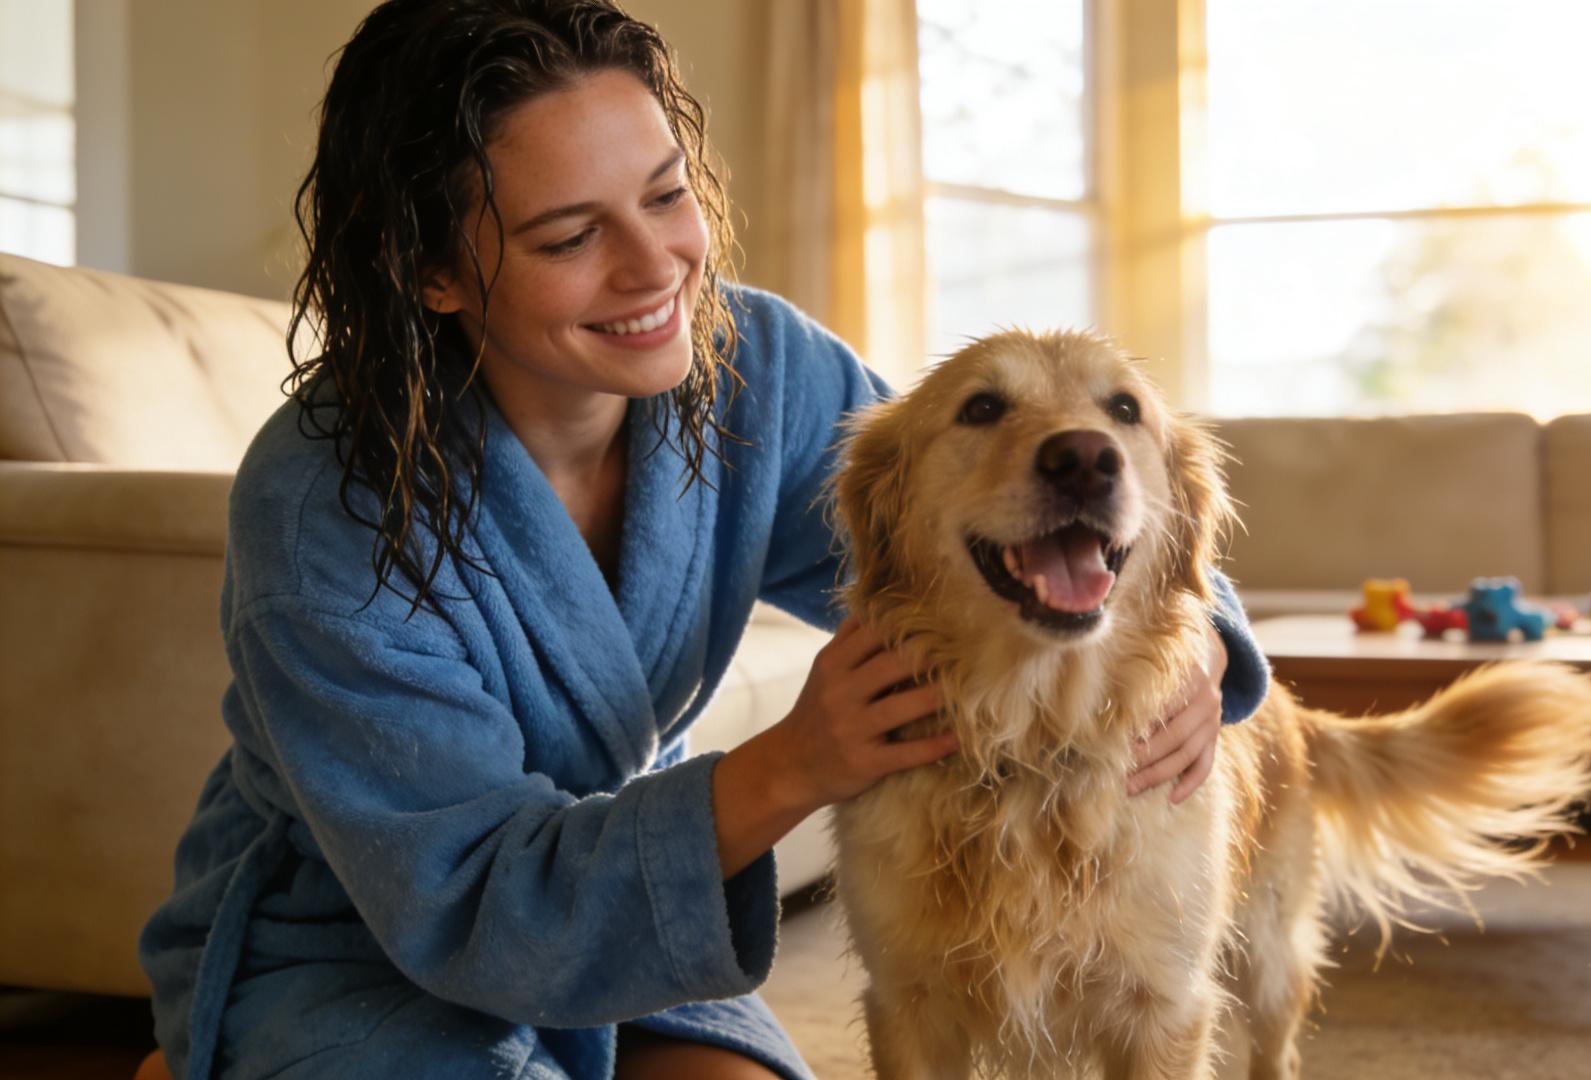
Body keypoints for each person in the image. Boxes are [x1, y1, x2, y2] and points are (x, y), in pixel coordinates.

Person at [137, 2, 1271, 1077]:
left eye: (666, 194)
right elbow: (463, 898)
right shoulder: (323, 517)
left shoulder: (758, 369)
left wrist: (1206, 639)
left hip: (625, 884)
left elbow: (986, 515)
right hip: (362, 935)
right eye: (571, 235)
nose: (657, 270)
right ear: (430, 272)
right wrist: (795, 764)